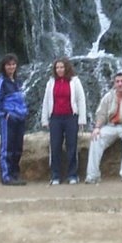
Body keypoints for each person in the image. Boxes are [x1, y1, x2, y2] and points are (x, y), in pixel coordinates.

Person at [85, 72, 122, 183]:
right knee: (95, 138)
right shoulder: (108, 96)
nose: (120, 84)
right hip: (110, 126)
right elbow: (101, 114)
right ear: (114, 84)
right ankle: (92, 176)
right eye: (117, 81)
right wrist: (97, 127)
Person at [40, 57, 87, 185]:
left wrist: (82, 119)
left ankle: (72, 175)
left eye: (62, 67)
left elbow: (81, 100)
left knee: (72, 146)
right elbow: (46, 101)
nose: (60, 70)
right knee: (55, 146)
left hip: (71, 117)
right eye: (57, 67)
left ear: (66, 68)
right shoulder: (51, 82)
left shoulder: (75, 81)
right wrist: (45, 119)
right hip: (55, 117)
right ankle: (55, 175)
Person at [0, 53, 29, 186]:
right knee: (7, 148)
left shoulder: (18, 81)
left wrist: (24, 112)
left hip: (20, 117)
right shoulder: (1, 81)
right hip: (8, 119)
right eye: (8, 65)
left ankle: (15, 174)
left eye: (13, 64)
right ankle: (6, 176)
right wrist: (4, 114)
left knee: (18, 147)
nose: (11, 67)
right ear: (4, 66)